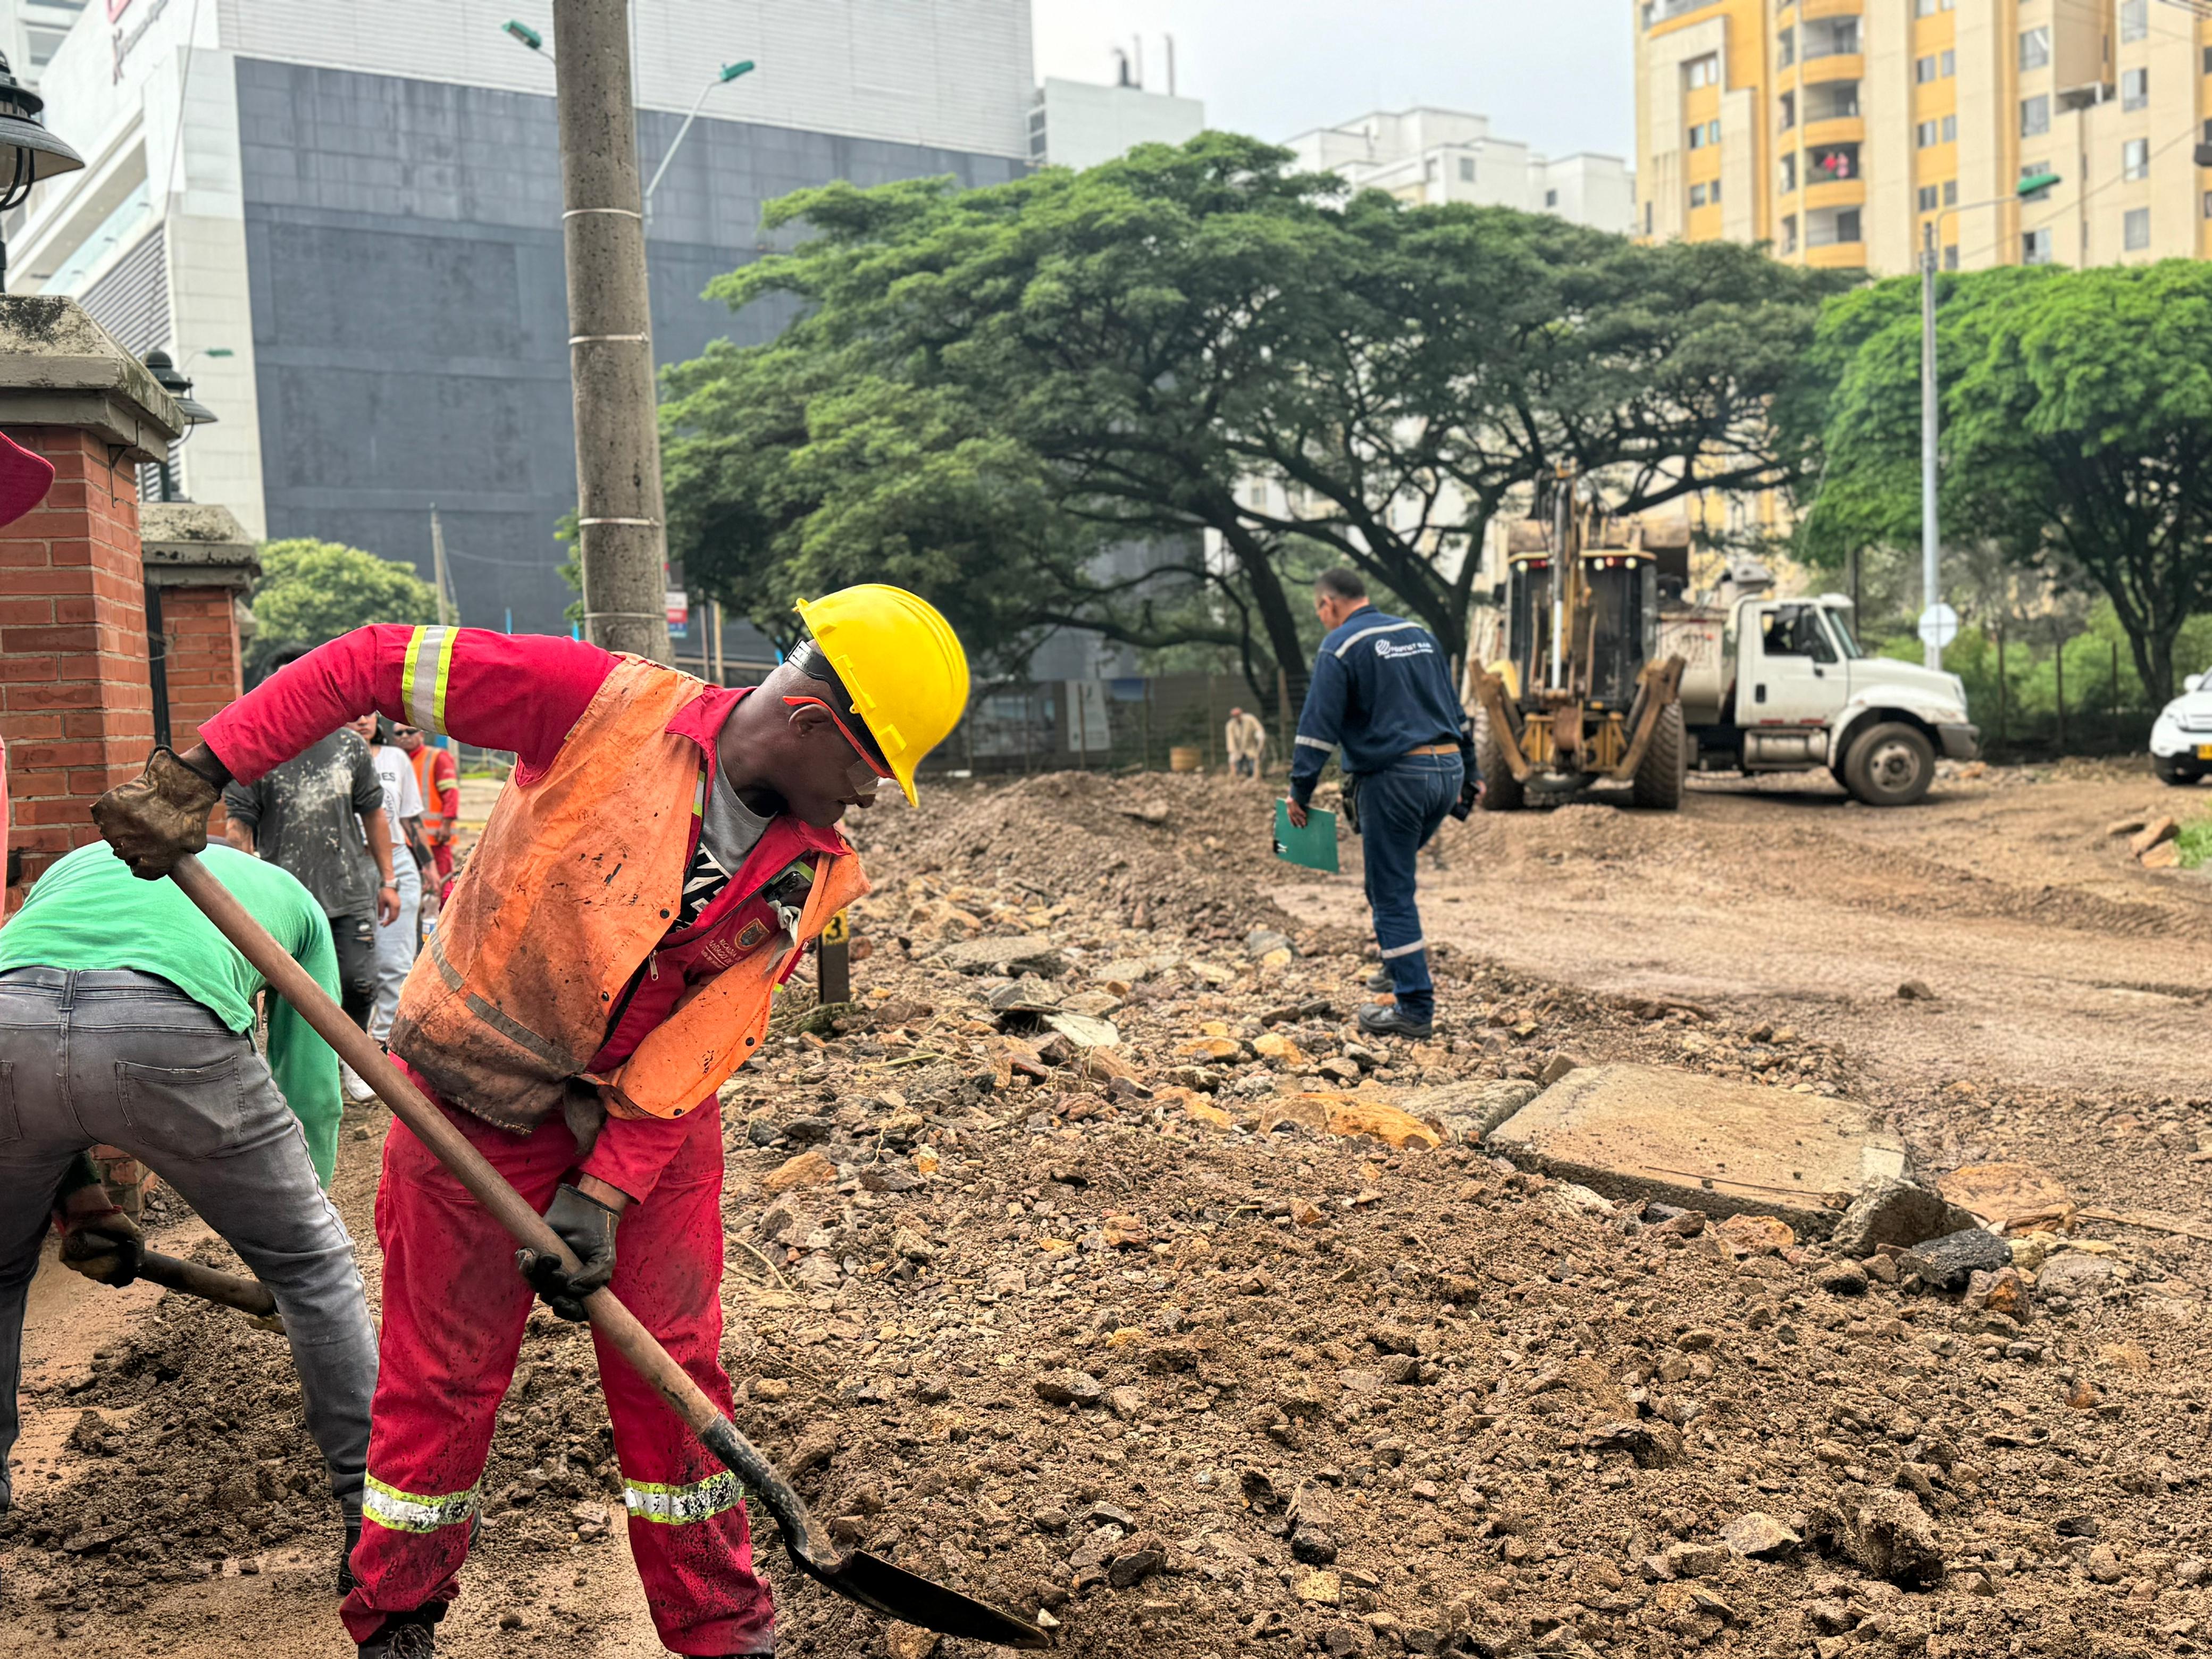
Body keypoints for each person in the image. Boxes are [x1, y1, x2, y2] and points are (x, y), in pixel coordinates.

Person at [92, 586, 970, 1659]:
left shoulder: (811, 868)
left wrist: (604, 1191)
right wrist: (204, 770)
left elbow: (704, 1042)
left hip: (651, 1130)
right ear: (811, 726)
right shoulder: (596, 705)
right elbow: (370, 662)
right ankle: (396, 1618)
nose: (873, 796)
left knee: (675, 1378)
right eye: (871, 766)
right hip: (465, 1103)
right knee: (442, 1376)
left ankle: (721, 1631)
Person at [0, 841, 379, 1584]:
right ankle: (374, 1524)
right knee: (316, 1270)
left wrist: (75, 1194)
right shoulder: (293, 902)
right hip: (166, 1020)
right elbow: (310, 1079)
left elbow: (51, 1019)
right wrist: (292, 1248)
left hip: (6, 1021)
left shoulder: (78, 863)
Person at [1285, 568, 1467, 1041]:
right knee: (1389, 876)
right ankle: (1396, 960)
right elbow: (1454, 708)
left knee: (1390, 892)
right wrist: (1475, 773)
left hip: (1396, 778)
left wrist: (1299, 791)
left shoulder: (1341, 646)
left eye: (1320, 612)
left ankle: (1414, 1007)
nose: (1324, 620)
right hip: (1446, 772)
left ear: (1329, 605)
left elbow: (1316, 728)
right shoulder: (1419, 636)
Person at [221, 647, 400, 1043]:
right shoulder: (256, 751)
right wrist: (242, 894)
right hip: (285, 898)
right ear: (270, 691)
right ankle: (303, 1073)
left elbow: (374, 814)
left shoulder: (349, 747)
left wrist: (388, 880)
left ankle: (355, 1058)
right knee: (294, 994)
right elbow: (239, 830)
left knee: (359, 984)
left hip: (349, 889)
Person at [351, 713, 431, 1066]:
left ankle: (386, 1044)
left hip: (398, 864)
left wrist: (427, 865)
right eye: (353, 714)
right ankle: (350, 1045)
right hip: (351, 866)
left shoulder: (396, 758)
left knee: (394, 961)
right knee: (354, 965)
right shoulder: (337, 758)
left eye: (368, 713)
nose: (361, 719)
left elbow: (410, 819)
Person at [394, 722, 460, 900]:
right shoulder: (397, 763)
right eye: (400, 734)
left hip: (435, 837)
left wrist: (446, 824)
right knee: (414, 885)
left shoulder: (437, 757)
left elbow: (450, 793)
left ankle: (445, 923)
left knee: (442, 884)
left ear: (422, 735)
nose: (405, 736)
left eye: (410, 731)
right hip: (406, 839)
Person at [1225, 706, 1268, 781]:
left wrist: (1260, 739)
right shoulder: (1230, 725)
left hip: (1251, 748)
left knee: (1253, 767)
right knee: (1239, 769)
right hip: (1239, 750)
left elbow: (1259, 729)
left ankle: (1256, 777)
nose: (1237, 718)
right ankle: (1239, 779)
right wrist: (1232, 752)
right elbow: (1230, 740)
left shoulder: (1250, 719)